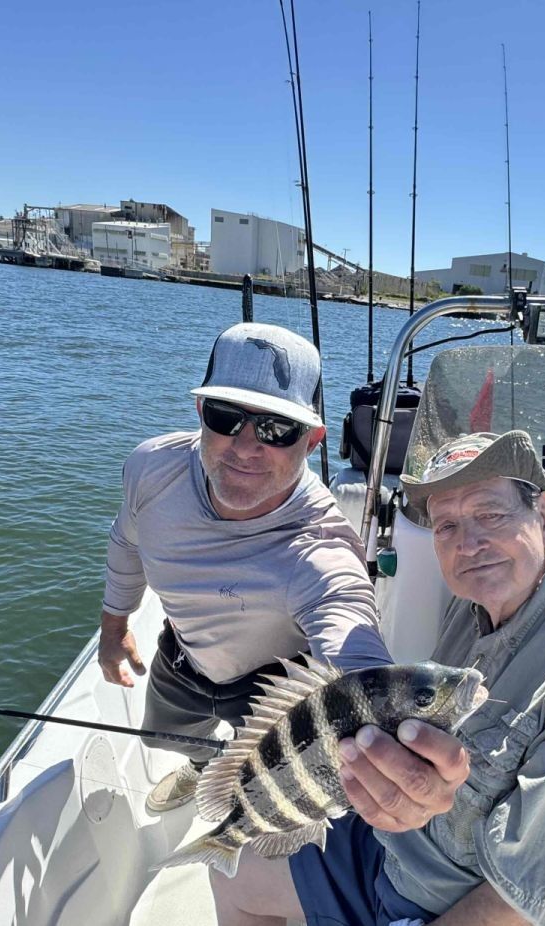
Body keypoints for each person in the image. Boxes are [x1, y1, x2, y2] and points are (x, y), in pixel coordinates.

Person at [211, 430, 545, 926]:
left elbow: (526, 909)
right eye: (446, 526)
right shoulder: (478, 602)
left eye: (490, 515)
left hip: (456, 910)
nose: (469, 544)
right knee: (233, 871)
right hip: (397, 855)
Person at [98, 322, 392, 813]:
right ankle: (200, 767)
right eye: (225, 416)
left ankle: (245, 789)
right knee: (159, 738)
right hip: (184, 657)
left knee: (266, 770)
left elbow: (348, 623)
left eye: (277, 429)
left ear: (314, 440)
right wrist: (114, 625)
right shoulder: (150, 469)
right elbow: (127, 541)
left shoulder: (319, 545)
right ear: (199, 411)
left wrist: (381, 716)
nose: (246, 446)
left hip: (277, 682)